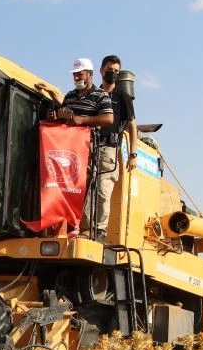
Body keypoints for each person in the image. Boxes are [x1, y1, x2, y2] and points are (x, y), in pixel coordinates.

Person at [35, 58, 114, 239]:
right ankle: (61, 223)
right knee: (60, 183)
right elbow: (66, 117)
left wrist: (81, 120)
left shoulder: (101, 95)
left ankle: (83, 225)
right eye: (75, 74)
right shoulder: (70, 96)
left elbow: (108, 118)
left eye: (80, 74)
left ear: (90, 75)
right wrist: (55, 116)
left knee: (84, 184)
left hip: (87, 147)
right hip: (68, 149)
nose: (77, 77)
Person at [94, 54, 138, 241]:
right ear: (101, 70)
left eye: (116, 71)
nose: (113, 74)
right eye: (110, 70)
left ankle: (100, 230)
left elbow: (132, 125)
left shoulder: (122, 96)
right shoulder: (94, 94)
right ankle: (86, 227)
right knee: (88, 190)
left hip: (110, 148)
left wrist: (133, 153)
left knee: (104, 191)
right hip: (90, 146)